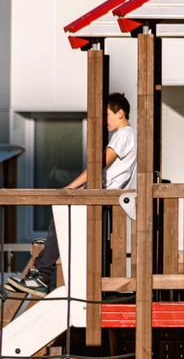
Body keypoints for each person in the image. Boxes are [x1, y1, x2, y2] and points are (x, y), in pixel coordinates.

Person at [7, 93, 136, 298]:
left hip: (103, 195)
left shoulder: (124, 135)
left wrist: (71, 187)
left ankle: (42, 275)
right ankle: (41, 274)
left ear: (120, 113)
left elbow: (99, 165)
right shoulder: (128, 136)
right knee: (64, 225)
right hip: (104, 195)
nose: (105, 121)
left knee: (61, 220)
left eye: (107, 115)